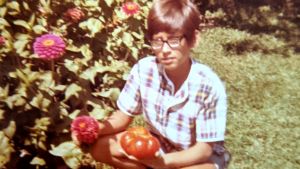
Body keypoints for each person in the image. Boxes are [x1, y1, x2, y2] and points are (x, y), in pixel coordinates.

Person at [75, 0, 230, 168]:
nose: (164, 50)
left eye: (174, 40)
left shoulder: (208, 86)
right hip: (158, 146)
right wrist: (95, 129)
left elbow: (204, 149)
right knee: (100, 147)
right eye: (157, 41)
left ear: (194, 39)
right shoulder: (144, 69)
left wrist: (164, 163)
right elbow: (124, 116)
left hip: (196, 158)